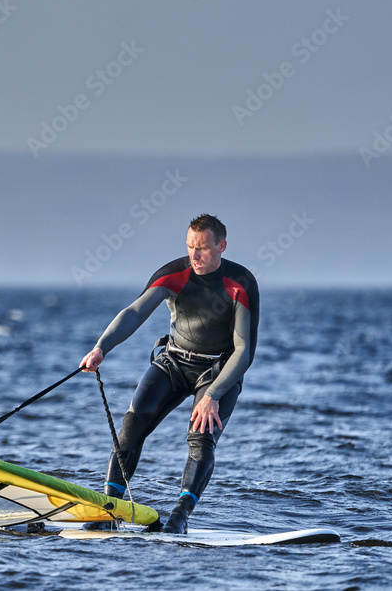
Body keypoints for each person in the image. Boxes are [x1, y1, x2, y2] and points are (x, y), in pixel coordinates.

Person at [80, 214, 259, 533]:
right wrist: (101, 348)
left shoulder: (240, 283)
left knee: (202, 439)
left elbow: (244, 351)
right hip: (174, 361)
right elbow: (134, 312)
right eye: (190, 247)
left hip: (217, 370)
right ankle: (109, 509)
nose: (195, 255)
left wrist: (213, 396)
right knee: (132, 425)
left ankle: (180, 517)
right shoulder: (174, 274)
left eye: (203, 248)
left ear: (221, 246)